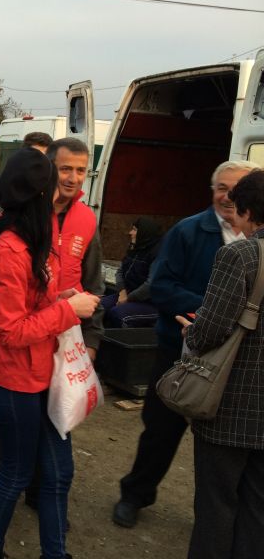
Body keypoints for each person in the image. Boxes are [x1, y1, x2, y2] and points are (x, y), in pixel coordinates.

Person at [113, 160, 257, 528]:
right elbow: (160, 286)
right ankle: (135, 495)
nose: (228, 196)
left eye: (237, 189)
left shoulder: (256, 237)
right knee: (161, 430)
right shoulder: (188, 231)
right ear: (212, 190)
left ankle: (224, 516)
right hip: (178, 352)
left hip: (237, 362)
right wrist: (210, 311)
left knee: (228, 445)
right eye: (222, 187)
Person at [0, 149, 99, 559]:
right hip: (16, 378)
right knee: (16, 472)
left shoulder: (30, 239)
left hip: (43, 372)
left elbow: (31, 306)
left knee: (60, 471)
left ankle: (54, 552)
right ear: (40, 196)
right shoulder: (10, 251)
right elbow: (10, 330)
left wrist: (60, 297)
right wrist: (66, 310)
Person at [177, 169, 264, 559]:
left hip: (231, 405)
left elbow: (209, 329)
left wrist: (190, 333)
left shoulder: (240, 254)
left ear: (246, 212)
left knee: (215, 504)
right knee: (257, 509)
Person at [100, 217, 162, 328]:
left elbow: (150, 285)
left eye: (134, 230)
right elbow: (120, 271)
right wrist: (122, 292)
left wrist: (128, 298)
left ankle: (116, 344)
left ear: (144, 233)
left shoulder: (157, 254)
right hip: (127, 295)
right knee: (98, 307)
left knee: (117, 314)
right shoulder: (135, 249)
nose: (130, 233)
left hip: (149, 302)